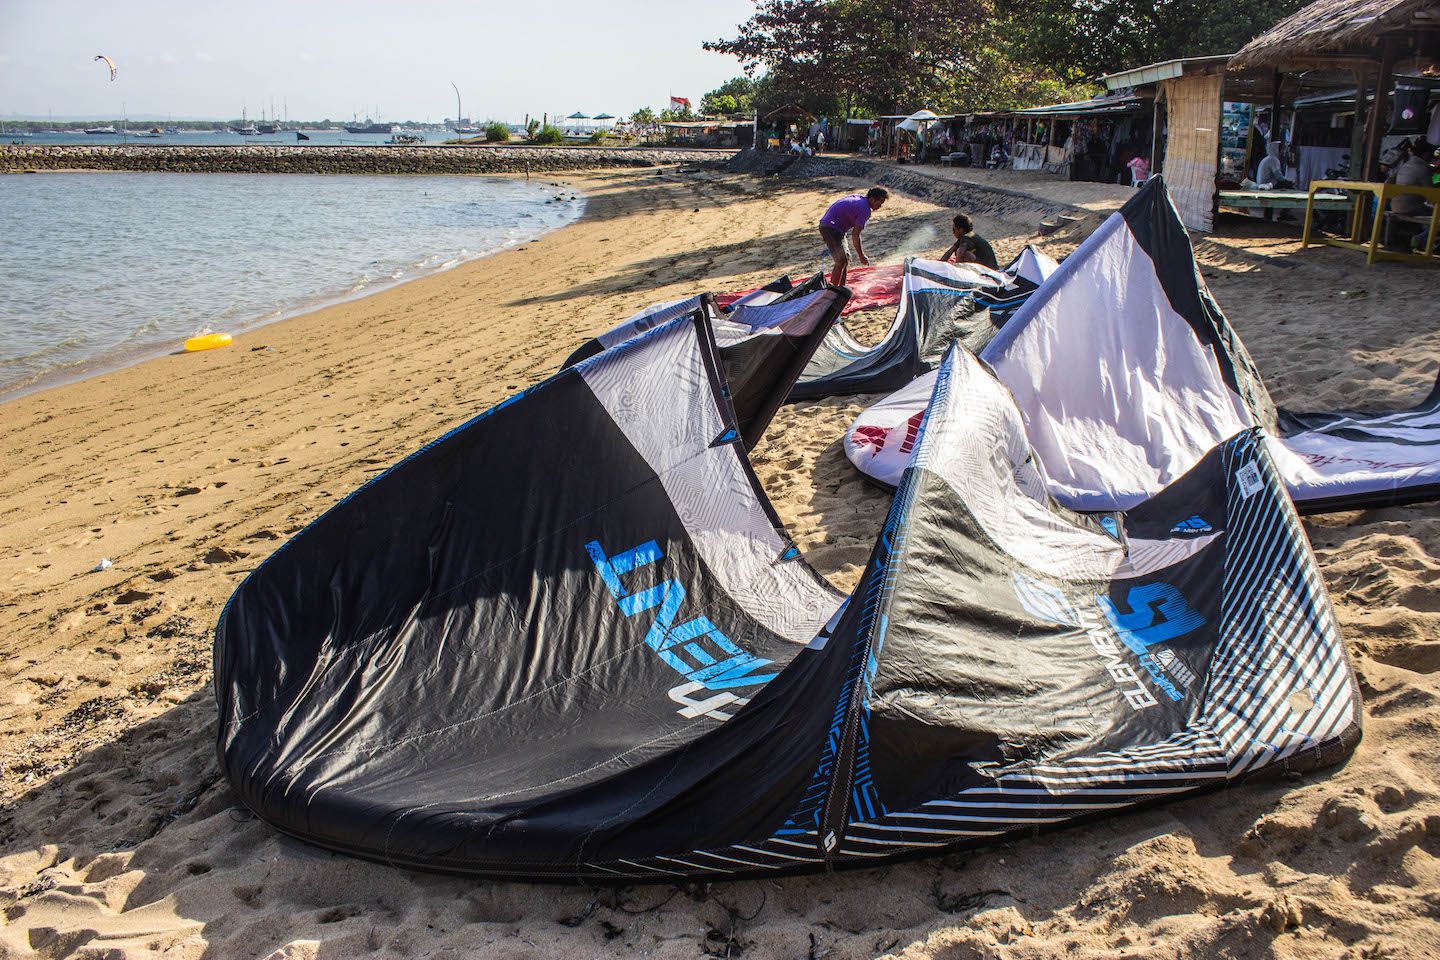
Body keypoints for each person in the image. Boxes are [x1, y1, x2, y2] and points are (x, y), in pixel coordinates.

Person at [819, 186, 887, 285]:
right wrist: (861, 255)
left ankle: (841, 288)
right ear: (872, 199)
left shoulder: (859, 198)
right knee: (841, 260)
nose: (880, 207)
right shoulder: (865, 210)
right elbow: (855, 236)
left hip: (834, 227)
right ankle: (832, 289)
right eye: (879, 203)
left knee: (845, 259)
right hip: (830, 228)